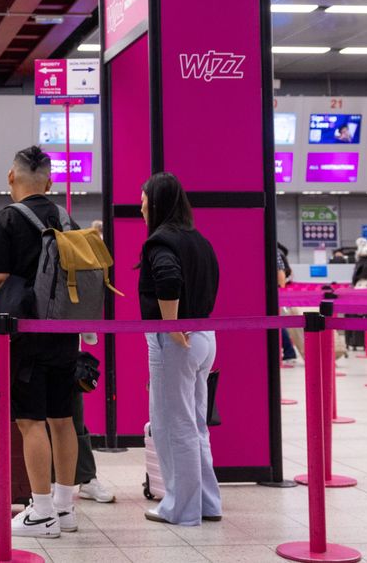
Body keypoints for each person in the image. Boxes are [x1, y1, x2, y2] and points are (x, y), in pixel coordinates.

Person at [0, 146, 82, 538]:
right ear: (51, 182)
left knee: (29, 420)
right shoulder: (66, 218)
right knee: (63, 417)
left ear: (12, 176)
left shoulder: (6, 218)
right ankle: (64, 507)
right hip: (64, 331)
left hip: (23, 334)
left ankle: (41, 512)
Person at [139, 172, 221, 526]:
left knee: (173, 424)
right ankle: (207, 502)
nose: (141, 207)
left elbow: (169, 278)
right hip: (204, 336)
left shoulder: (160, 242)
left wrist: (171, 324)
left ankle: (181, 508)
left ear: (157, 203)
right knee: (196, 423)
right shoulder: (198, 239)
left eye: (144, 200)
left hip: (176, 341)